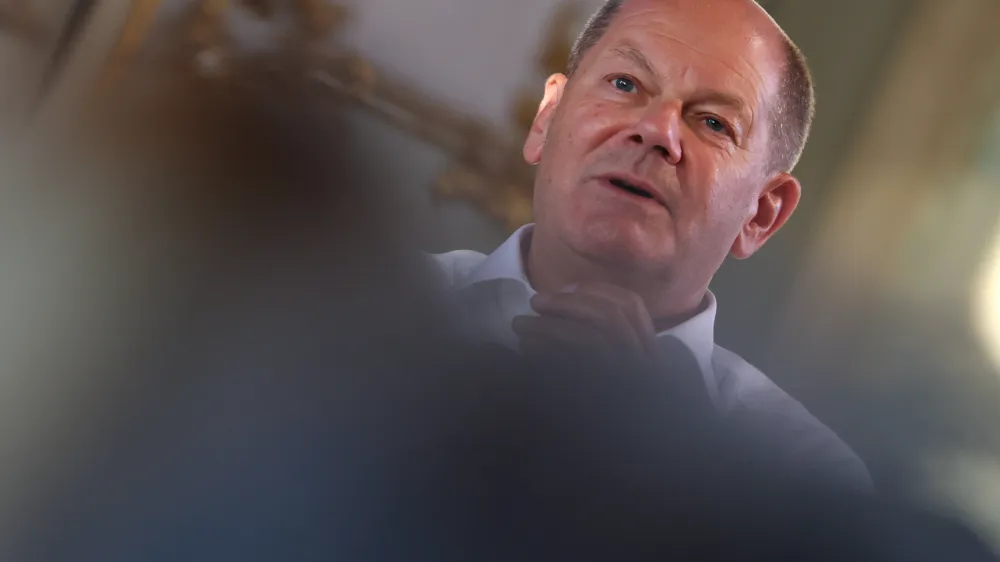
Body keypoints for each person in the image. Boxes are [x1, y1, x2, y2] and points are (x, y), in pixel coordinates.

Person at [433, 0, 871, 490]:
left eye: (712, 123)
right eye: (624, 84)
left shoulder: (807, 483)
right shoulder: (357, 303)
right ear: (545, 120)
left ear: (761, 214)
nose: (656, 130)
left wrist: (649, 457)